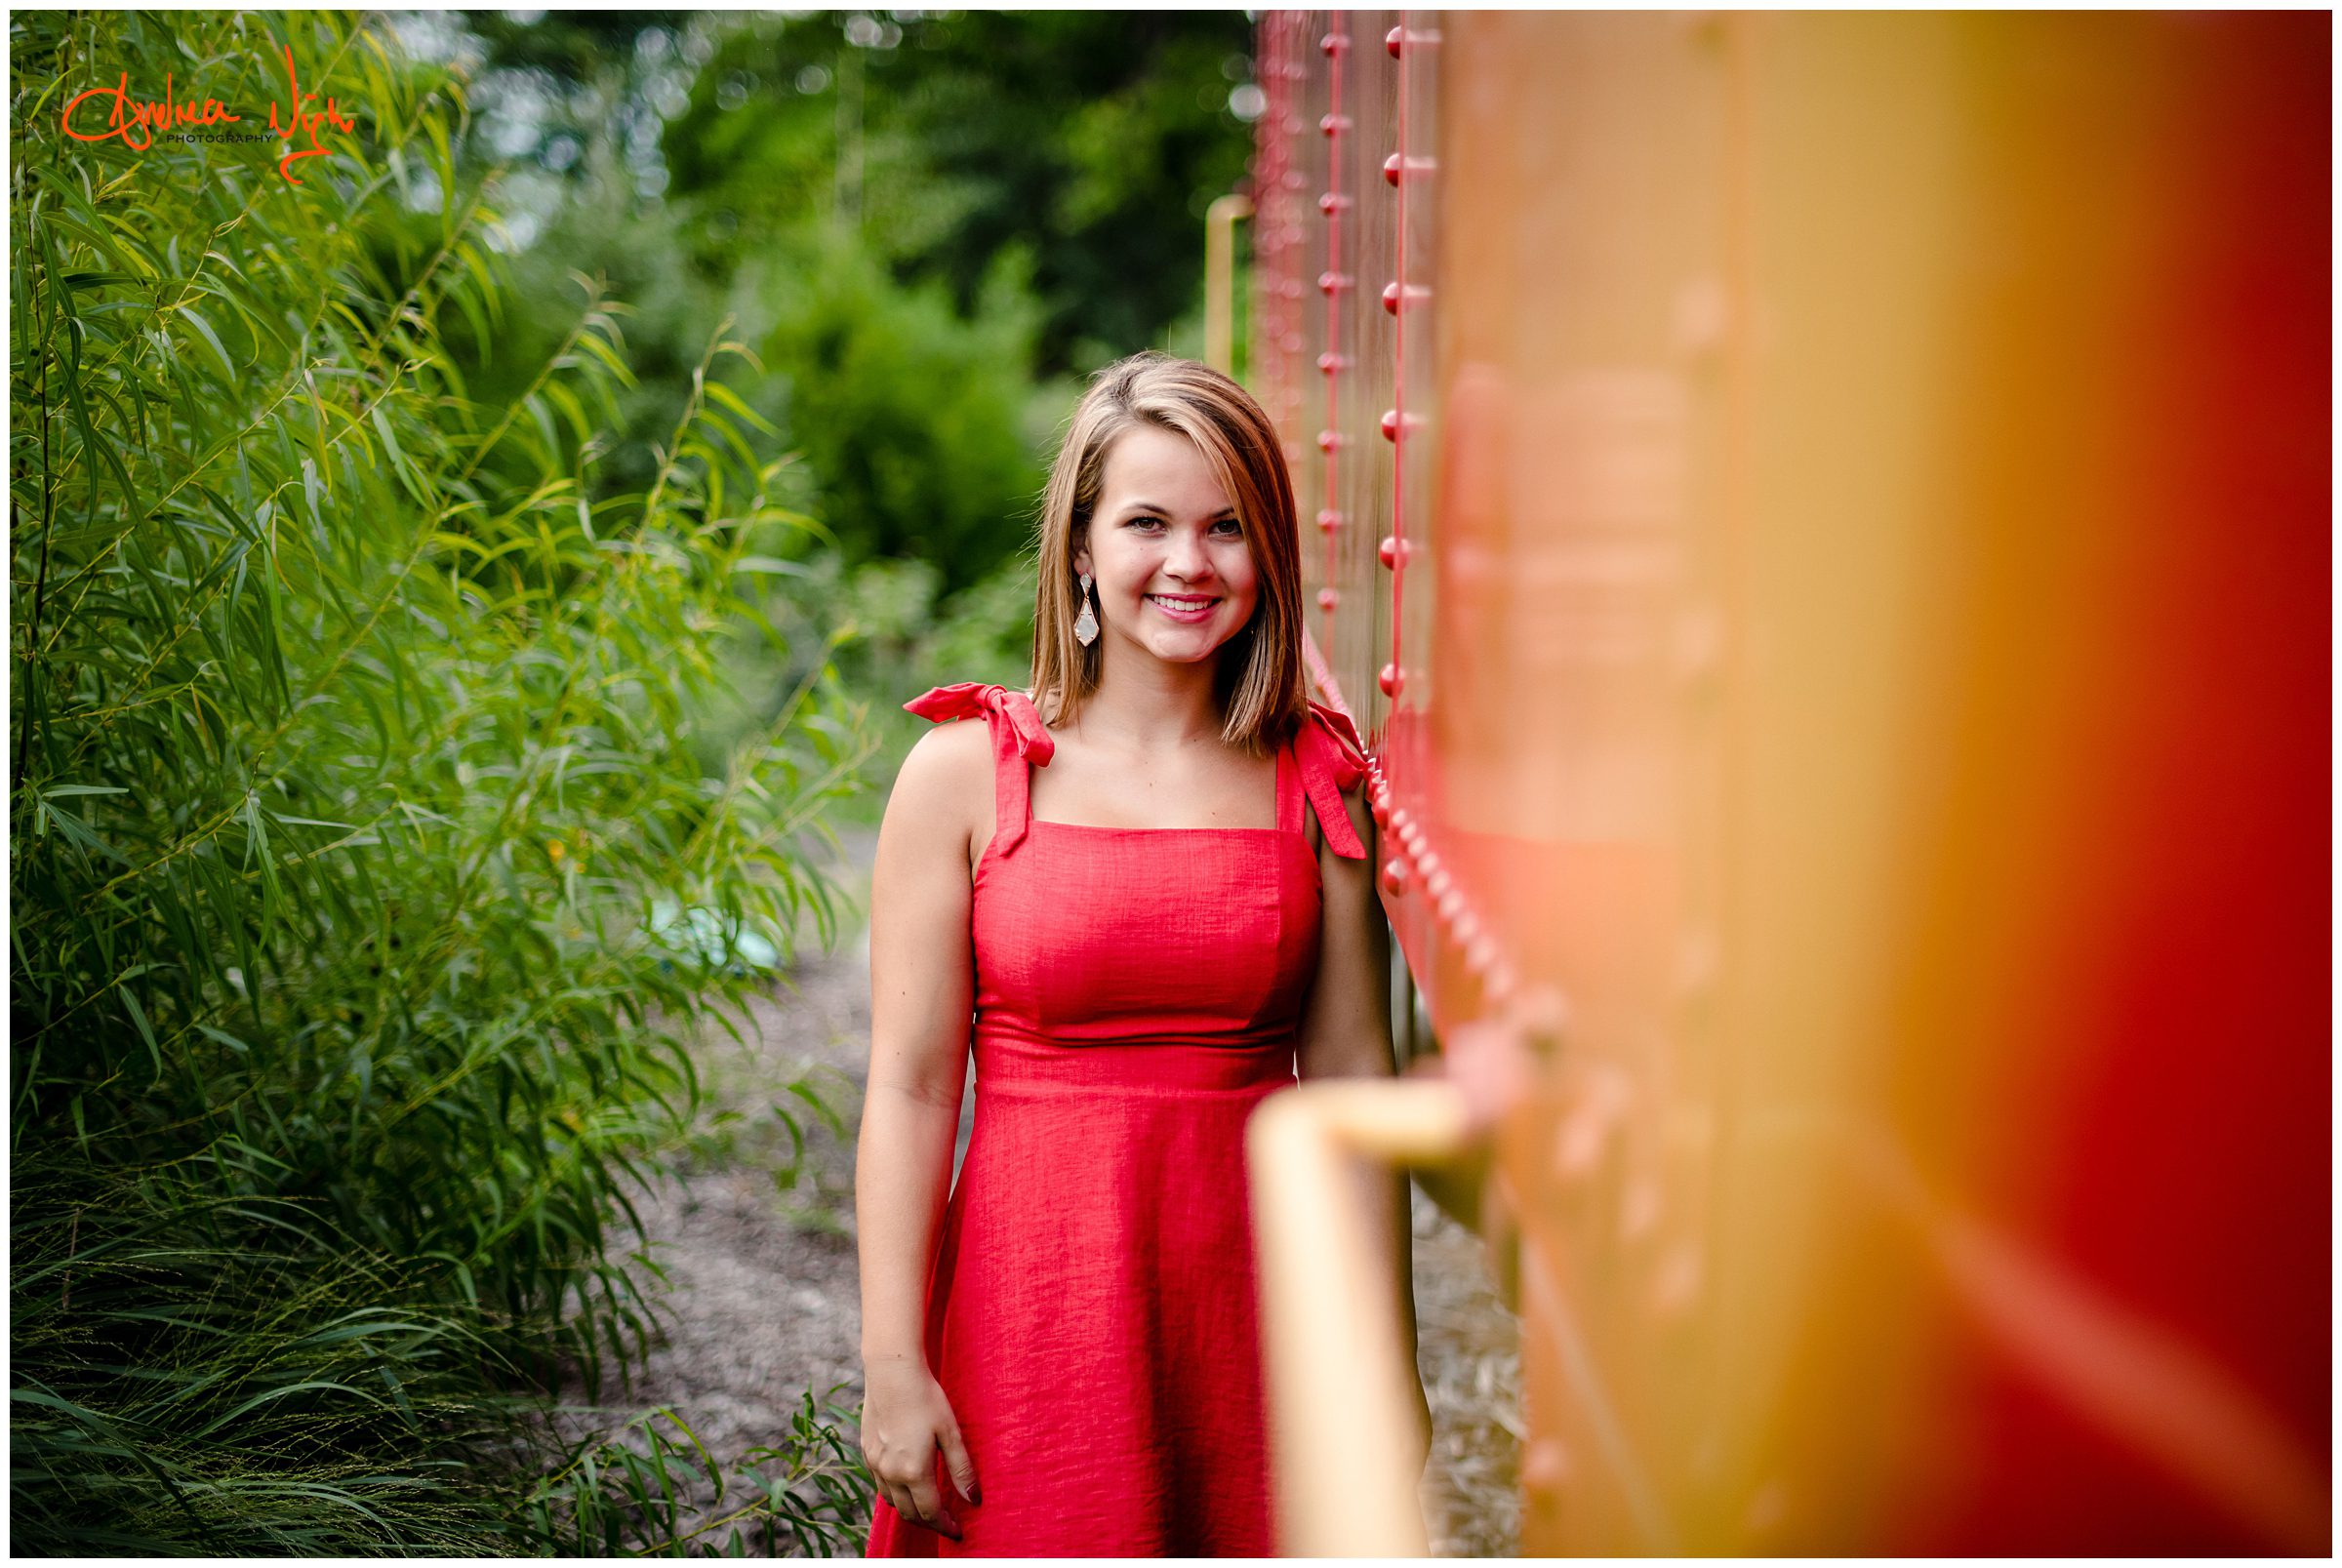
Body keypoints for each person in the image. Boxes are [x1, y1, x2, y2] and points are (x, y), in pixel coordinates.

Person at [855, 351, 1425, 1557]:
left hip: (1260, 1310)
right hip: (1033, 1307)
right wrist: (892, 1361)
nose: (1189, 563)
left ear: (1268, 549)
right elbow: (909, 1087)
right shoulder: (964, 775)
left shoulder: (1317, 781)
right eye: (1148, 522)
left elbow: (1358, 1089)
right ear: (1079, 544)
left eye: (1227, 527)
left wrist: (1389, 1364)